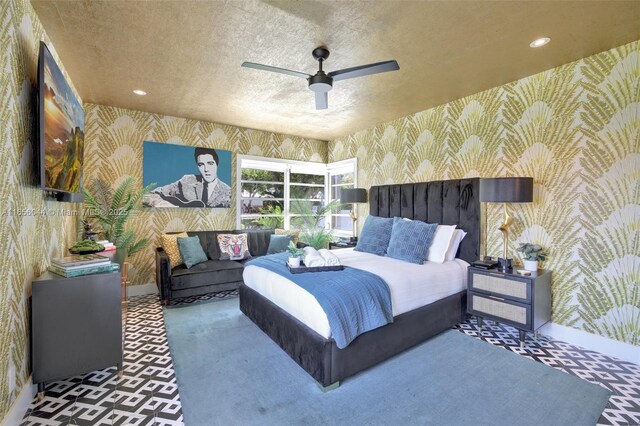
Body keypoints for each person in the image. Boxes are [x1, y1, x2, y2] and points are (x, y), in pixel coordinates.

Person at [145, 147, 231, 208]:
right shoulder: (187, 181)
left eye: (210, 163)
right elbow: (149, 195)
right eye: (201, 165)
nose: (206, 169)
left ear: (217, 164)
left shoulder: (228, 192)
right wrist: (165, 205)